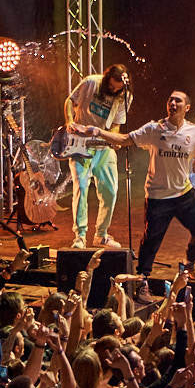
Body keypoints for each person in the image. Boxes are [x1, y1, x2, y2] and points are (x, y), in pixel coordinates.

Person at [88, 89, 195, 280]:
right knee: (151, 241)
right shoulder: (154, 129)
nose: (172, 103)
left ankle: (189, 265)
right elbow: (125, 139)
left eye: (177, 101)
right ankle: (142, 279)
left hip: (183, 194)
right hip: (158, 197)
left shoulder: (193, 131)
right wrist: (98, 131)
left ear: (186, 107)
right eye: (170, 100)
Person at [62, 63, 133, 250]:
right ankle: (80, 236)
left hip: (103, 146)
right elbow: (70, 101)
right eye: (111, 87)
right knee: (81, 188)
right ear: (106, 79)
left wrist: (114, 138)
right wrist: (69, 121)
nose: (113, 91)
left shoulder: (125, 97)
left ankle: (101, 235)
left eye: (117, 89)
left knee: (110, 191)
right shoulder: (91, 83)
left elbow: (117, 124)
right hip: (80, 143)